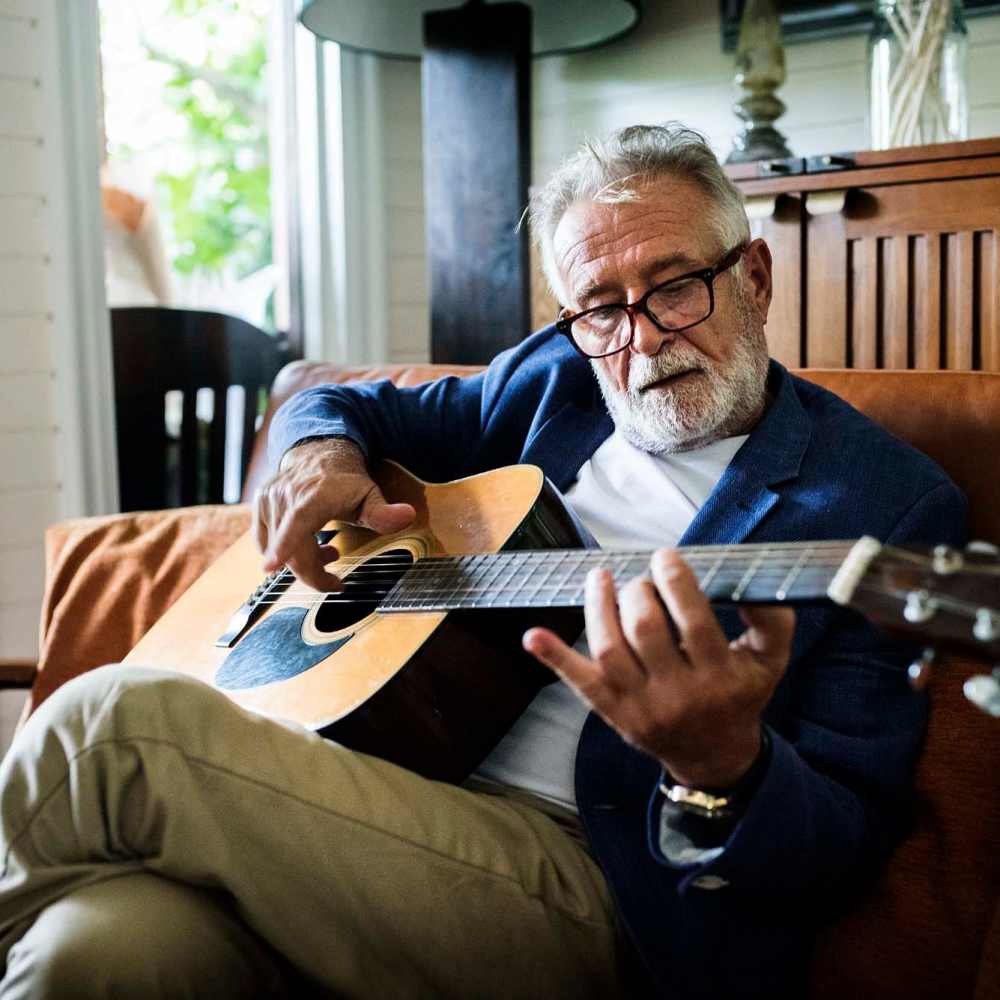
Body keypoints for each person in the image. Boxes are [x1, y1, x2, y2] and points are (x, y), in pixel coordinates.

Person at [0, 124, 966, 999]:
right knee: (95, 952)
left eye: (676, 286)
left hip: (590, 879)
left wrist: (723, 766)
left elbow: (841, 843)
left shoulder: (882, 503)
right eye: (601, 307)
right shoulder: (558, 381)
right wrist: (314, 455)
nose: (641, 339)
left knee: (113, 722)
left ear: (754, 276)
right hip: (355, 779)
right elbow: (348, 406)